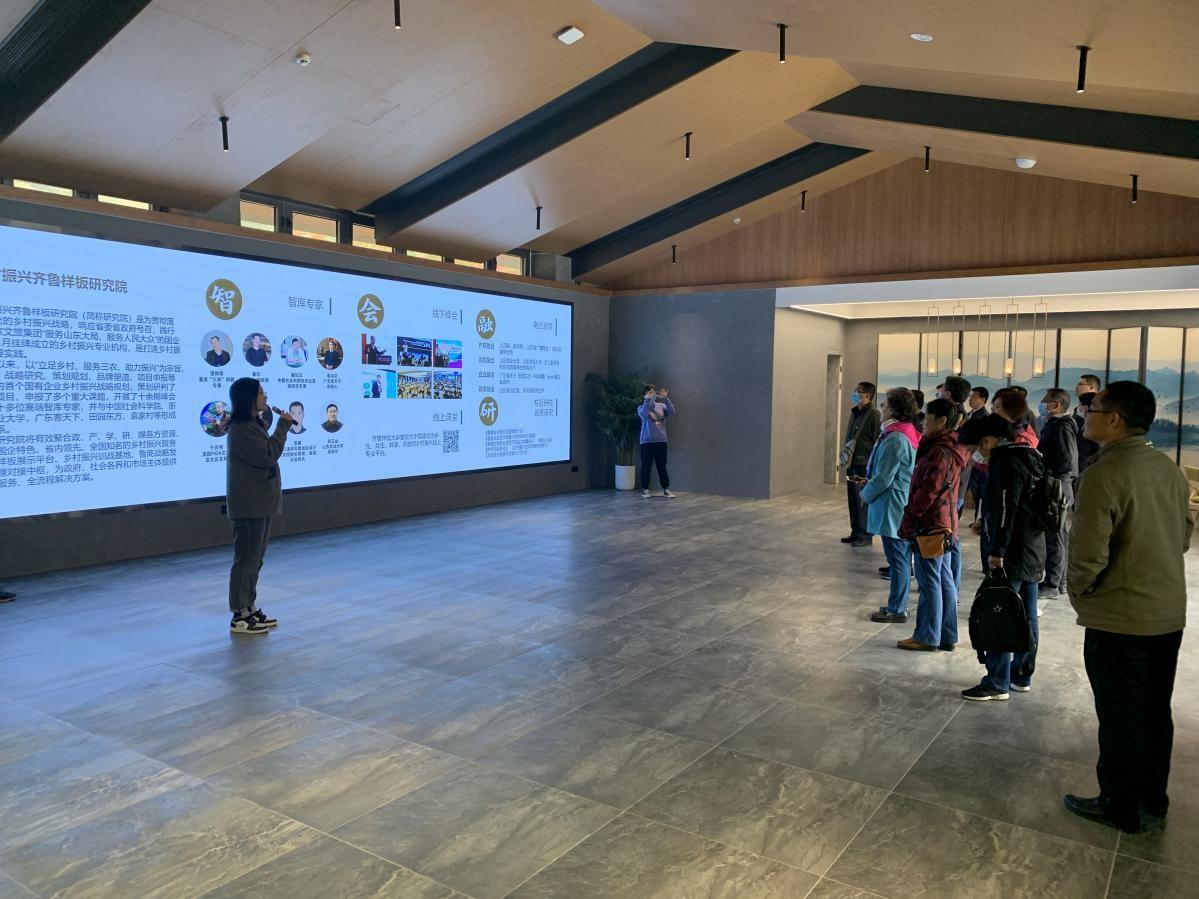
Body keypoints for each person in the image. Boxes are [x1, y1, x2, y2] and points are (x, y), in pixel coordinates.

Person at [1063, 382, 1192, 834]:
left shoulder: (1104, 474)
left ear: (1114, 419)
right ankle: (1153, 798)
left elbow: (1086, 554)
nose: (1086, 415)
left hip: (1121, 618)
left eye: (1093, 409)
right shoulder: (1168, 469)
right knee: (1155, 711)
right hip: (1167, 612)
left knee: (1120, 714)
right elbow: (1184, 535)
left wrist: (1081, 594)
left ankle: (1119, 805)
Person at [957, 413, 1046, 700]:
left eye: (974, 449)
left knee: (999, 614)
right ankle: (1021, 675)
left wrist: (997, 551)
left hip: (1012, 552)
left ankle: (997, 682)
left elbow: (1007, 510)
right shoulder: (1029, 454)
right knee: (1026, 615)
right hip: (1032, 547)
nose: (975, 456)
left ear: (987, 441)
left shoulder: (1005, 462)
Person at [896, 398, 970, 650]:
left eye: (927, 418)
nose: (923, 422)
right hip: (946, 522)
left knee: (929, 582)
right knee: (944, 579)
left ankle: (927, 636)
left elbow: (927, 491)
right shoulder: (952, 447)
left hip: (931, 523)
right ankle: (946, 634)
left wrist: (909, 518)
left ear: (942, 421)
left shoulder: (938, 451)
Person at [225, 377, 292, 635]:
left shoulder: (252, 424)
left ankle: (249, 607)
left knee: (255, 559)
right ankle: (239, 614)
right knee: (246, 559)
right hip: (249, 505)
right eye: (261, 393)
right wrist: (283, 427)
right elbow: (267, 455)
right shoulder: (241, 428)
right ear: (249, 398)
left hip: (260, 503)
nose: (265, 397)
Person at [859, 388, 919, 623]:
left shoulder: (896, 438)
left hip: (893, 504)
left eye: (884, 404)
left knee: (898, 559)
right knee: (898, 558)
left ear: (892, 410)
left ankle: (897, 608)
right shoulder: (898, 433)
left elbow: (884, 478)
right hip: (894, 502)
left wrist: (865, 493)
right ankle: (896, 605)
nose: (881, 408)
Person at [1038, 387, 1079, 599]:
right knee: (1058, 534)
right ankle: (1059, 581)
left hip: (1058, 486)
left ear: (1056, 405)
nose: (1043, 404)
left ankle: (1053, 583)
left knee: (1055, 537)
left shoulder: (1063, 426)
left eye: (1046, 401)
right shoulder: (1054, 424)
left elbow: (1067, 461)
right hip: (1055, 484)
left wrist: (1052, 477)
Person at [840, 382, 881, 546]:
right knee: (853, 498)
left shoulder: (873, 414)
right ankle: (855, 531)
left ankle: (865, 535)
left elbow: (876, 439)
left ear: (867, 396)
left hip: (863, 463)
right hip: (852, 462)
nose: (855, 393)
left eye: (859, 391)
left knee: (862, 499)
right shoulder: (855, 412)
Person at [639, 385, 675, 498]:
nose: (653, 393)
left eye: (653, 391)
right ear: (644, 395)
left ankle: (666, 489)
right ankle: (645, 489)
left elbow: (672, 411)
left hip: (661, 441)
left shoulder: (661, 405)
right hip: (647, 442)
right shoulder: (641, 407)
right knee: (646, 466)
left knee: (662, 466)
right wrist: (648, 401)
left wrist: (665, 399)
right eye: (650, 392)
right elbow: (644, 415)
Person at [1074, 391, 1101, 475]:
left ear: (1085, 408)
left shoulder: (1097, 428)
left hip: (1089, 471)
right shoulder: (1082, 423)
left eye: (1079, 406)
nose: (1078, 409)